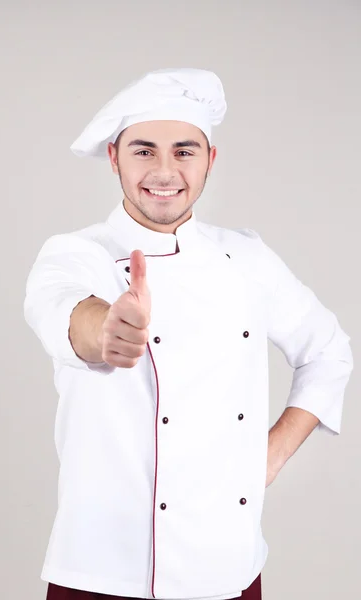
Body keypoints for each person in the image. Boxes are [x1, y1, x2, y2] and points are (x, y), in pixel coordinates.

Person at [23, 68, 353, 600]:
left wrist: (268, 454)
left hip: (228, 567)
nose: (164, 170)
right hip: (106, 571)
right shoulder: (74, 252)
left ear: (209, 160)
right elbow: (65, 313)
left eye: (183, 150)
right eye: (143, 150)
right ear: (114, 158)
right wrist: (106, 329)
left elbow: (329, 351)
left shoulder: (248, 257)